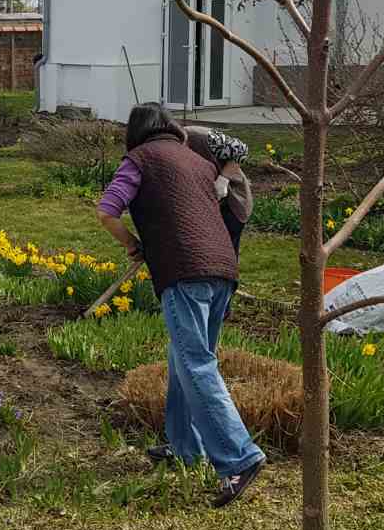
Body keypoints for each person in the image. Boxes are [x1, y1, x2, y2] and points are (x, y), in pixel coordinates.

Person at [96, 102, 266, 508]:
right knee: (185, 357)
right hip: (224, 267)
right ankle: (186, 448)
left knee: (195, 363)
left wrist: (133, 245)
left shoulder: (138, 160)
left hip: (184, 270)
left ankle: (240, 457)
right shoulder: (196, 160)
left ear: (134, 134)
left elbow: (106, 212)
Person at [182, 124, 252, 255]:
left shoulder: (201, 137)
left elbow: (241, 149)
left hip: (232, 203)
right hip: (204, 209)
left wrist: (223, 180)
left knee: (225, 256)